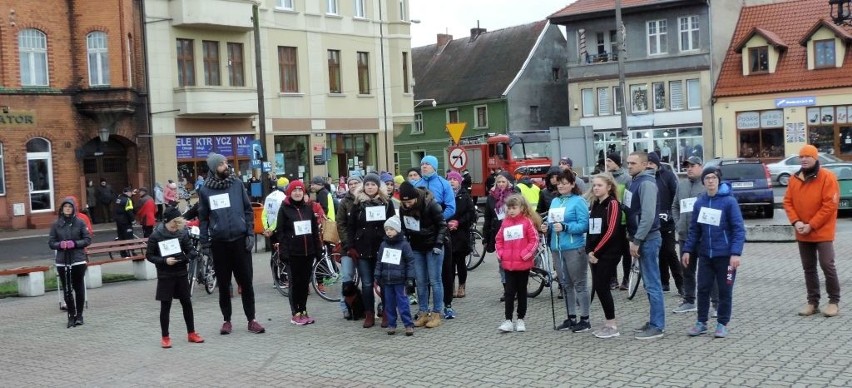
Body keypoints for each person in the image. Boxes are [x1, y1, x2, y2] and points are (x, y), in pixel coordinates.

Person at [197, 152, 265, 335]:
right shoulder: (205, 190)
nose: (225, 166)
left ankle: (252, 320)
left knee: (246, 283)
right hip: (219, 244)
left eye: (226, 163)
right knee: (225, 285)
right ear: (213, 168)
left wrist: (249, 233)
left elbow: (248, 210)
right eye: (221, 164)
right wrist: (205, 242)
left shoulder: (236, 184)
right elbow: (203, 219)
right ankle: (227, 320)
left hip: (240, 241)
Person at [682, 166, 745, 338]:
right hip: (705, 255)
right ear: (703, 181)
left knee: (725, 291)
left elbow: (738, 229)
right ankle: (701, 322)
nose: (710, 181)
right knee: (703, 289)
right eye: (707, 178)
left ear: (719, 180)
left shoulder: (729, 202)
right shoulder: (700, 202)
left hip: (725, 256)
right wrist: (687, 249)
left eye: (713, 178)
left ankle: (722, 324)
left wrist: (735, 253)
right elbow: (694, 229)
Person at [783, 144, 841, 317]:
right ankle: (813, 302)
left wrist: (812, 224)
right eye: (801, 157)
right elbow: (788, 202)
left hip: (822, 231)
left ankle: (833, 301)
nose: (804, 159)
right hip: (802, 230)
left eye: (808, 156)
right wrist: (796, 221)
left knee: (827, 265)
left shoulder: (827, 178)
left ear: (816, 158)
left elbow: (829, 205)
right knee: (808, 268)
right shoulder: (795, 179)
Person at [146, 207, 205, 348]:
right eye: (174, 223)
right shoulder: (156, 235)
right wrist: (164, 261)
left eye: (178, 224)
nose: (176, 227)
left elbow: (191, 251)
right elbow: (149, 256)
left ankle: (191, 333)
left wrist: (185, 258)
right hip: (165, 274)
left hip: (181, 273)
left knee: (187, 303)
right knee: (165, 306)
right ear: (167, 221)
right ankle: (165, 337)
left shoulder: (182, 233)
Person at [543, 171, 590, 333]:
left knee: (579, 284)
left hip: (574, 248)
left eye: (565, 183)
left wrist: (566, 227)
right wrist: (546, 227)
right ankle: (571, 317)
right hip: (557, 248)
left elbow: (584, 225)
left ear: (572, 184)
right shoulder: (555, 201)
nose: (561, 185)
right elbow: (552, 222)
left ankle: (585, 319)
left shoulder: (579, 201)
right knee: (566, 285)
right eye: (559, 183)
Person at [346, 173, 395, 328]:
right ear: (364, 186)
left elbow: (394, 224)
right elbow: (351, 227)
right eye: (367, 185)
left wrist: (392, 243)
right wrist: (350, 246)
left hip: (382, 248)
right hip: (362, 250)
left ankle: (387, 313)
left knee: (384, 282)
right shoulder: (357, 204)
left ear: (378, 186)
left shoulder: (386, 203)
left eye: (373, 185)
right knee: (367, 284)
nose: (370, 187)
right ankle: (369, 314)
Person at [625, 151, 665, 340]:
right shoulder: (634, 182)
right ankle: (653, 321)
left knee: (652, 283)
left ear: (644, 164)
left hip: (648, 239)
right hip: (641, 238)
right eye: (628, 163)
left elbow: (648, 216)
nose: (629, 166)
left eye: (633, 163)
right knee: (649, 284)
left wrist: (637, 240)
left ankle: (658, 325)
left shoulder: (647, 183)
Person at [398, 181, 448, 329]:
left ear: (415, 198)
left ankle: (437, 312)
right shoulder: (403, 208)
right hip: (416, 247)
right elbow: (404, 228)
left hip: (433, 247)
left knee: (435, 280)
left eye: (410, 201)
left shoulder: (431, 204)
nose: (407, 205)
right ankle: (423, 312)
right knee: (420, 281)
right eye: (404, 202)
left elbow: (442, 225)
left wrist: (438, 244)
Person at [672, 156, 718, 314]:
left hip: (704, 238)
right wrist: (678, 224)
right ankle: (689, 300)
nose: (689, 169)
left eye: (693, 166)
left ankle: (716, 304)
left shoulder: (707, 185)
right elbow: (675, 206)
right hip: (685, 237)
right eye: (687, 166)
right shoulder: (682, 185)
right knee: (687, 270)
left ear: (701, 166)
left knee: (709, 272)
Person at [274, 180, 322, 325]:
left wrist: (318, 249)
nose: (297, 193)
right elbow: (280, 232)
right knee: (295, 284)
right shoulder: (284, 209)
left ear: (304, 192)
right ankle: (296, 313)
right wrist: (284, 251)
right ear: (289, 192)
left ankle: (304, 310)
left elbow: (314, 231)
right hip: (292, 253)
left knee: (304, 284)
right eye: (294, 190)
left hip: (308, 253)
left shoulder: (308, 209)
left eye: (300, 190)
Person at [586, 173, 627, 339]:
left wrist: (597, 252)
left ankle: (612, 324)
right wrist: (589, 249)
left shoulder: (613, 204)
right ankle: (608, 322)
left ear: (609, 187)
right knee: (599, 286)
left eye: (599, 185)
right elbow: (591, 229)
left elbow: (611, 231)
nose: (596, 188)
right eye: (594, 185)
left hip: (609, 253)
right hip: (594, 253)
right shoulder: (596, 204)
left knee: (603, 286)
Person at [495, 194, 541, 333]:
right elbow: (499, 240)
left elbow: (534, 240)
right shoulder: (505, 223)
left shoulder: (527, 222)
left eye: (514, 208)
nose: (511, 211)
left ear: (521, 208)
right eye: (509, 208)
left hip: (522, 264)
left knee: (522, 292)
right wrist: (501, 254)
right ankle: (508, 320)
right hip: (508, 264)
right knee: (509, 293)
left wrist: (525, 255)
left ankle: (521, 319)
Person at [49, 197, 92, 328]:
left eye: (70, 207)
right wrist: (60, 244)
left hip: (78, 259)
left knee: (78, 288)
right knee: (67, 289)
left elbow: (87, 239)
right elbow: (51, 243)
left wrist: (75, 243)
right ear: (62, 209)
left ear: (73, 209)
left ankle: (79, 315)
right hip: (63, 260)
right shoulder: (56, 224)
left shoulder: (80, 222)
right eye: (65, 207)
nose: (67, 209)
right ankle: (70, 316)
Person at [374, 216, 416, 336]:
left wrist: (409, 278)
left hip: (400, 281)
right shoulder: (383, 245)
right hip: (387, 281)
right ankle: (392, 324)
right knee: (389, 304)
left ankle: (408, 324)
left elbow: (410, 262)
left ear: (397, 230)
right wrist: (377, 274)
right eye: (387, 230)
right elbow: (379, 261)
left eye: (391, 229)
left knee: (403, 303)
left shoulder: (404, 245)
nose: (388, 232)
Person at [647, 152, 682, 295]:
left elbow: (676, 196)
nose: (649, 166)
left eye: (652, 163)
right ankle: (664, 282)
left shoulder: (667, 176)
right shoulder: (644, 178)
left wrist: (672, 215)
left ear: (657, 164)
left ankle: (681, 284)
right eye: (647, 164)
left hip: (667, 221)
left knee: (669, 251)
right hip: (652, 223)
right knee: (660, 253)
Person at [483, 172, 516, 300]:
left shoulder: (514, 195)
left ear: (508, 182)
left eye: (503, 182)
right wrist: (486, 236)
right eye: (499, 182)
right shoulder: (491, 197)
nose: (501, 184)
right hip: (498, 234)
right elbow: (487, 217)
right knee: (502, 263)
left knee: (514, 262)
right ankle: (507, 290)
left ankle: (516, 289)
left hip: (513, 234)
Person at [446, 171, 476, 306]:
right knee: (449, 263)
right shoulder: (445, 195)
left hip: (461, 234)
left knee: (460, 262)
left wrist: (458, 222)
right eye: (449, 179)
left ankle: (461, 286)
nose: (452, 181)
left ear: (459, 181)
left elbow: (471, 215)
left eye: (454, 179)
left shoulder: (465, 196)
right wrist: (447, 222)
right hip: (447, 233)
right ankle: (450, 286)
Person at [604, 152, 632, 290]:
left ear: (616, 162)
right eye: (606, 160)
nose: (607, 163)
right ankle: (612, 278)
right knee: (611, 251)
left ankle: (626, 279)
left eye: (609, 160)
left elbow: (628, 201)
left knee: (626, 251)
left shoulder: (626, 179)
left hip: (622, 221)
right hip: (610, 221)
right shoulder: (606, 178)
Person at [262, 177, 289, 249]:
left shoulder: (269, 196)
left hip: (269, 230)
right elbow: (279, 216)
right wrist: (272, 229)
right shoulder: (284, 198)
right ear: (285, 187)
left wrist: (267, 228)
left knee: (273, 253)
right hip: (278, 229)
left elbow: (264, 214)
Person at [114, 187, 136, 256]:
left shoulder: (118, 198)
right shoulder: (128, 200)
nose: (131, 194)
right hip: (126, 221)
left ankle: (123, 253)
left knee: (121, 237)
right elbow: (129, 211)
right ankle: (131, 252)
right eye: (130, 192)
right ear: (127, 192)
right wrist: (133, 220)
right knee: (129, 237)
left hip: (118, 221)